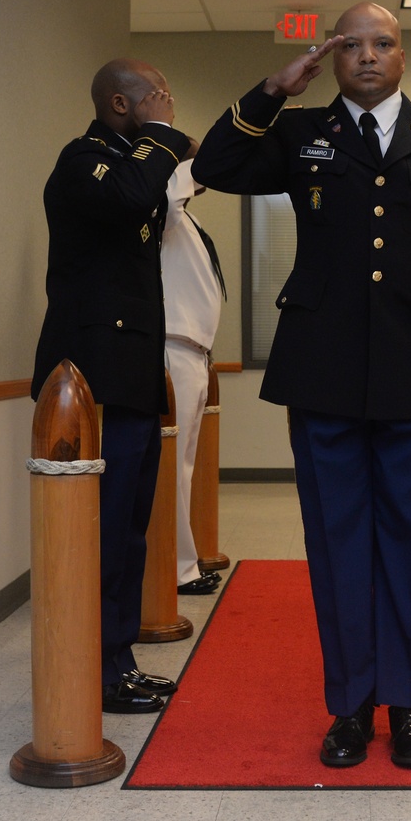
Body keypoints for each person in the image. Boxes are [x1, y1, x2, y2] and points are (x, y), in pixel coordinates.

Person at [192, 2, 411, 768]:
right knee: (337, 544)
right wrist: (275, 89)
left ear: (404, 55)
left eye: (384, 43)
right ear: (332, 58)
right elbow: (214, 167)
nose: (368, 56)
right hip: (324, 367)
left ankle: (409, 703)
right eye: (352, 45)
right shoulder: (303, 134)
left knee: (410, 544)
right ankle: (349, 706)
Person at [32, 58, 189, 713]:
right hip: (91, 381)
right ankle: (89, 666)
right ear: (121, 104)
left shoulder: (130, 160)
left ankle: (116, 662)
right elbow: (130, 193)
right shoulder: (83, 161)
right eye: (156, 95)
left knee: (127, 531)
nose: (168, 103)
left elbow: (145, 198)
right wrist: (164, 137)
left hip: (130, 377)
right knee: (96, 534)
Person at [160, 139, 227, 596]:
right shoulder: (161, 213)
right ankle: (177, 569)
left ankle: (183, 561)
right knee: (173, 468)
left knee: (184, 467)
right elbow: (167, 193)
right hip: (172, 347)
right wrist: (196, 163)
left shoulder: (189, 221)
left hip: (195, 352)